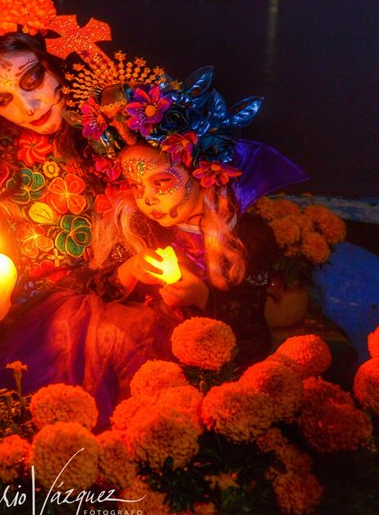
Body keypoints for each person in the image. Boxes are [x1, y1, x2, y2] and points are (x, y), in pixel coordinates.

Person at [0, 0, 173, 419]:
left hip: (134, 297)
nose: (28, 106)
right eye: (1, 99)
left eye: (32, 79)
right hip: (39, 325)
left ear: (55, 62)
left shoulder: (112, 129)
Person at [85, 67, 308, 366]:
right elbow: (94, 292)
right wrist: (130, 270)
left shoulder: (246, 237)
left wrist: (202, 296)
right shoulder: (142, 227)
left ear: (201, 175)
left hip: (210, 361)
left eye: (162, 183)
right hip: (139, 354)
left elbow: (251, 329)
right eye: (137, 186)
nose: (147, 199)